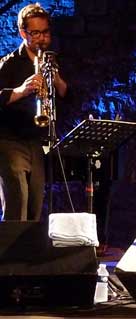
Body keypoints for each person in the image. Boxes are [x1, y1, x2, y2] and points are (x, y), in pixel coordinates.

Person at [0, 3, 68, 221]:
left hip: (36, 141)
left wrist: (57, 81)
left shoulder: (53, 61)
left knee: (35, 206)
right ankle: (9, 255)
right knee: (16, 202)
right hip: (10, 141)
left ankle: (28, 254)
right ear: (23, 33)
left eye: (45, 32)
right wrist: (22, 90)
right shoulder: (9, 64)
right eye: (35, 33)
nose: (42, 38)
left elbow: (69, 96)